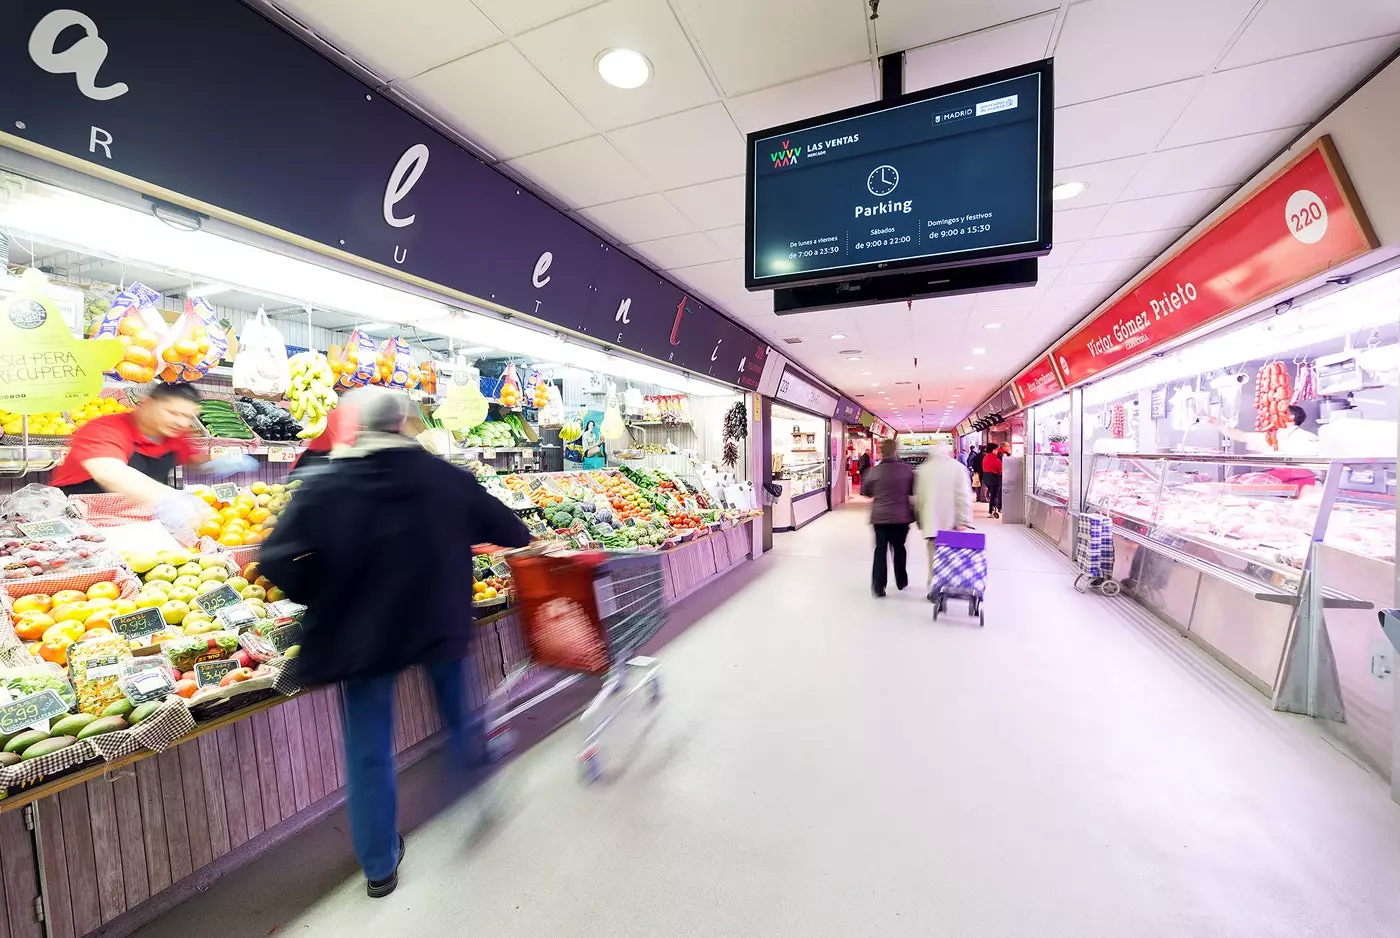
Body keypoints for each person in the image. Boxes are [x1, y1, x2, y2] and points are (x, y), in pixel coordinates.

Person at [259, 387, 532, 898]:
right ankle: (476, 795)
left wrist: (323, 593)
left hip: (361, 635)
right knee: (458, 713)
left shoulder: (324, 485)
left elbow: (273, 559)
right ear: (405, 422)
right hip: (438, 621)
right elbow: (511, 529)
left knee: (368, 747)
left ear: (354, 426)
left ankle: (379, 865)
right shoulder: (446, 478)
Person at [49, 383, 248, 529]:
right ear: (147, 404)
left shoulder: (171, 434)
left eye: (188, 417)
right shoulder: (104, 429)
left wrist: (219, 462)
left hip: (134, 524)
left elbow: (190, 458)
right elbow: (109, 472)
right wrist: (170, 497)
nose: (181, 422)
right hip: (81, 523)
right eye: (172, 412)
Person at [913, 442, 975, 587]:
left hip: (931, 522)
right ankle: (949, 585)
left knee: (933, 556)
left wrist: (921, 521)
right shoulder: (958, 468)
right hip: (951, 522)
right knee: (951, 556)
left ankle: (933, 587)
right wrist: (963, 520)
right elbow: (963, 496)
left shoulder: (923, 469)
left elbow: (918, 498)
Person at [861, 438, 915, 597]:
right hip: (901, 517)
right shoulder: (906, 470)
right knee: (899, 548)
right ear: (896, 450)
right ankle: (901, 581)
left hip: (880, 518)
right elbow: (912, 490)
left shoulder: (874, 471)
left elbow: (866, 491)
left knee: (880, 551)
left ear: (881, 452)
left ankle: (878, 586)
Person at [1209, 405, 1319, 456]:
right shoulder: (1271, 435)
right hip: (1277, 482)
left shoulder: (1307, 437)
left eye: (1279, 412)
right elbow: (1242, 436)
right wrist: (1219, 426)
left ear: (1291, 417)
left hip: (1301, 484)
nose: (1273, 415)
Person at [981, 443, 1004, 519]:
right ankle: (991, 511)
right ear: (993, 450)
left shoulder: (985, 457)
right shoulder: (995, 459)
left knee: (993, 495)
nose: (997, 451)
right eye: (996, 449)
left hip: (986, 479)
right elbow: (1001, 469)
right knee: (994, 496)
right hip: (994, 479)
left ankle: (995, 509)